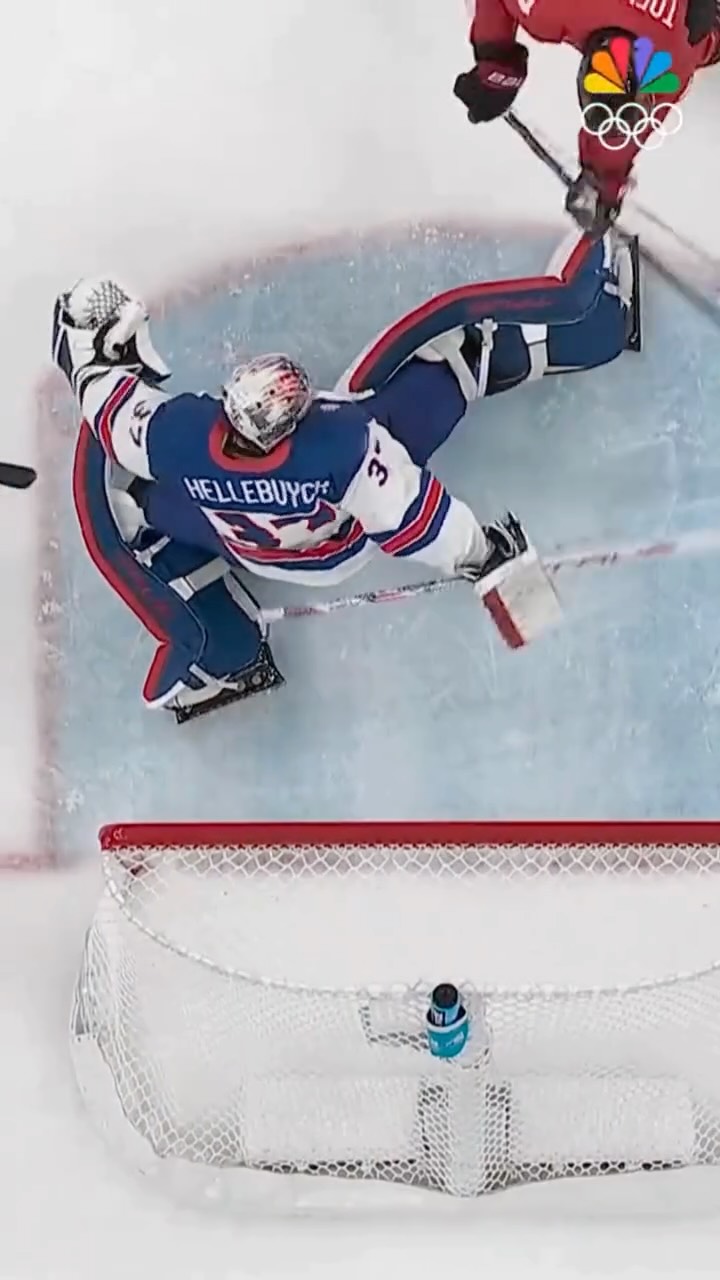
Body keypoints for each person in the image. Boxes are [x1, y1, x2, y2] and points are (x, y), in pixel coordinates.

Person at [53, 228, 638, 723]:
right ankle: (601, 330)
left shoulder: (180, 437)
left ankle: (227, 659)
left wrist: (86, 329)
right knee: (455, 361)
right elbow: (413, 521)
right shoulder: (339, 445)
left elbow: (106, 403)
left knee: (136, 509)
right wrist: (483, 552)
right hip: (337, 544)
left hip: (247, 544)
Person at [454, 0, 720, 237]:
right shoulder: (676, 46)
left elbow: (619, 132)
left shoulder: (676, 48)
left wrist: (496, 59)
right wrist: (495, 58)